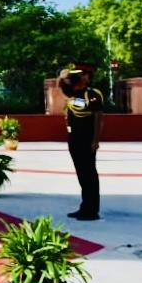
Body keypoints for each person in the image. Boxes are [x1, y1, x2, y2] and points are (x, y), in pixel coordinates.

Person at [59, 63, 104, 221]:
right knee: (82, 174)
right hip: (74, 140)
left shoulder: (93, 94)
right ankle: (85, 206)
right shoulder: (73, 95)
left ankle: (92, 210)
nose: (84, 76)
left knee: (89, 174)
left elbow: (98, 117)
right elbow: (68, 116)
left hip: (87, 140)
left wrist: (95, 140)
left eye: (85, 74)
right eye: (81, 74)